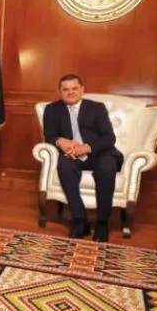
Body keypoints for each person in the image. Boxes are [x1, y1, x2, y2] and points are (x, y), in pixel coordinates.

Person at [43, 74, 122, 242]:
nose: (70, 92)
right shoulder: (52, 109)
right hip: (71, 154)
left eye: (74, 88)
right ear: (60, 92)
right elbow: (49, 136)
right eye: (65, 89)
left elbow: (109, 138)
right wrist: (60, 141)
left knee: (107, 167)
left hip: (99, 153)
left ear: (82, 89)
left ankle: (102, 223)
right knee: (64, 166)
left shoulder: (97, 108)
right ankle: (80, 221)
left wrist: (86, 148)